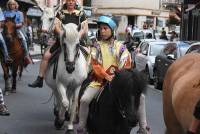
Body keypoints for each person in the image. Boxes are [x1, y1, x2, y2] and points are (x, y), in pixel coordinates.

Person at [77, 15, 150, 134]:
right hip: (99, 81)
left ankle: (143, 127)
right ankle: (82, 126)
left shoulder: (121, 47)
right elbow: (95, 64)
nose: (102, 31)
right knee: (85, 100)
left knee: (141, 97)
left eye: (105, 28)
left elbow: (126, 63)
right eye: (101, 29)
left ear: (112, 30)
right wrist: (106, 76)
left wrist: (119, 78)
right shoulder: (96, 46)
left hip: (121, 83)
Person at [28, 0, 88, 88]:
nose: (70, 2)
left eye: (72, 1)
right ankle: (40, 78)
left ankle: (89, 80)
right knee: (46, 56)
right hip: (62, 41)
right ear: (66, 2)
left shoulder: (81, 14)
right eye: (68, 1)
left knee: (90, 54)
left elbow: (84, 28)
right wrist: (62, 35)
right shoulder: (60, 13)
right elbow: (56, 27)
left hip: (77, 40)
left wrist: (78, 35)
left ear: (75, 2)